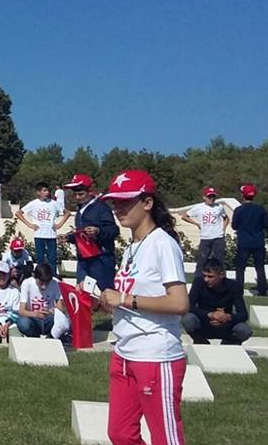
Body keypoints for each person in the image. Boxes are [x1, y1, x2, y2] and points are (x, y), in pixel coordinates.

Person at [95, 170, 189, 445]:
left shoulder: (163, 244)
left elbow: (179, 302)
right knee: (120, 433)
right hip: (124, 352)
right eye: (114, 202)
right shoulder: (133, 246)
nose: (117, 208)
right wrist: (107, 303)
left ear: (147, 203)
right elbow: (134, 297)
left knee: (165, 438)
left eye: (125, 201)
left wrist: (125, 300)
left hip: (155, 354)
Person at [61, 173, 118, 287]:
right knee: (82, 295)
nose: (77, 197)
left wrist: (98, 231)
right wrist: (69, 237)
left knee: (103, 296)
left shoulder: (101, 208)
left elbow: (114, 230)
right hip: (83, 259)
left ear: (90, 191)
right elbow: (81, 234)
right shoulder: (80, 211)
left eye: (81, 194)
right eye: (75, 194)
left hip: (101, 260)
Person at [181, 258, 252, 346]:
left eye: (210, 276)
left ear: (221, 275)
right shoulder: (198, 282)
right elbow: (189, 306)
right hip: (204, 322)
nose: (206, 279)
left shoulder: (233, 286)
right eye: (204, 276)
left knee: (244, 330)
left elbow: (243, 314)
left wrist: (227, 317)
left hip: (226, 325)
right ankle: (200, 341)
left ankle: (229, 344)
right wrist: (210, 314)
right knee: (188, 319)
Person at [15, 182, 66, 272]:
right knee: (40, 259)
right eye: (44, 190)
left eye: (48, 190)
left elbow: (67, 213)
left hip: (51, 234)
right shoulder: (33, 203)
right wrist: (29, 224)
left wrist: (60, 224)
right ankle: (40, 277)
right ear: (38, 192)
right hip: (39, 234)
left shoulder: (54, 203)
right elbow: (18, 213)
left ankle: (53, 278)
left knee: (52, 259)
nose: (47, 193)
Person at [181, 186, 230, 277]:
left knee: (219, 261)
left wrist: (223, 229)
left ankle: (221, 281)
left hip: (218, 237)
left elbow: (226, 218)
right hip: (205, 237)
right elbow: (184, 216)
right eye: (209, 196)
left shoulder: (219, 207)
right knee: (202, 261)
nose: (211, 199)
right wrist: (197, 224)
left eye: (213, 196)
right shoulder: (199, 207)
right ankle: (198, 281)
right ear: (204, 197)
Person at [232, 183, 268, 296]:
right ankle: (262, 291)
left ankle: (239, 291)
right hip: (258, 242)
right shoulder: (260, 209)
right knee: (259, 267)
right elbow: (267, 224)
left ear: (242, 195)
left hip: (243, 242)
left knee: (240, 268)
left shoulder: (239, 210)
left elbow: (234, 226)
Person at [16, 263, 70, 340]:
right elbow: (21, 311)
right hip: (33, 318)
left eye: (47, 282)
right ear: (35, 277)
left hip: (49, 318)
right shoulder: (27, 283)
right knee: (23, 322)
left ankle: (52, 336)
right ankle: (34, 337)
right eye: (41, 282)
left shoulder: (56, 283)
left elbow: (60, 306)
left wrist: (52, 310)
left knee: (64, 320)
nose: (44, 286)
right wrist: (36, 314)